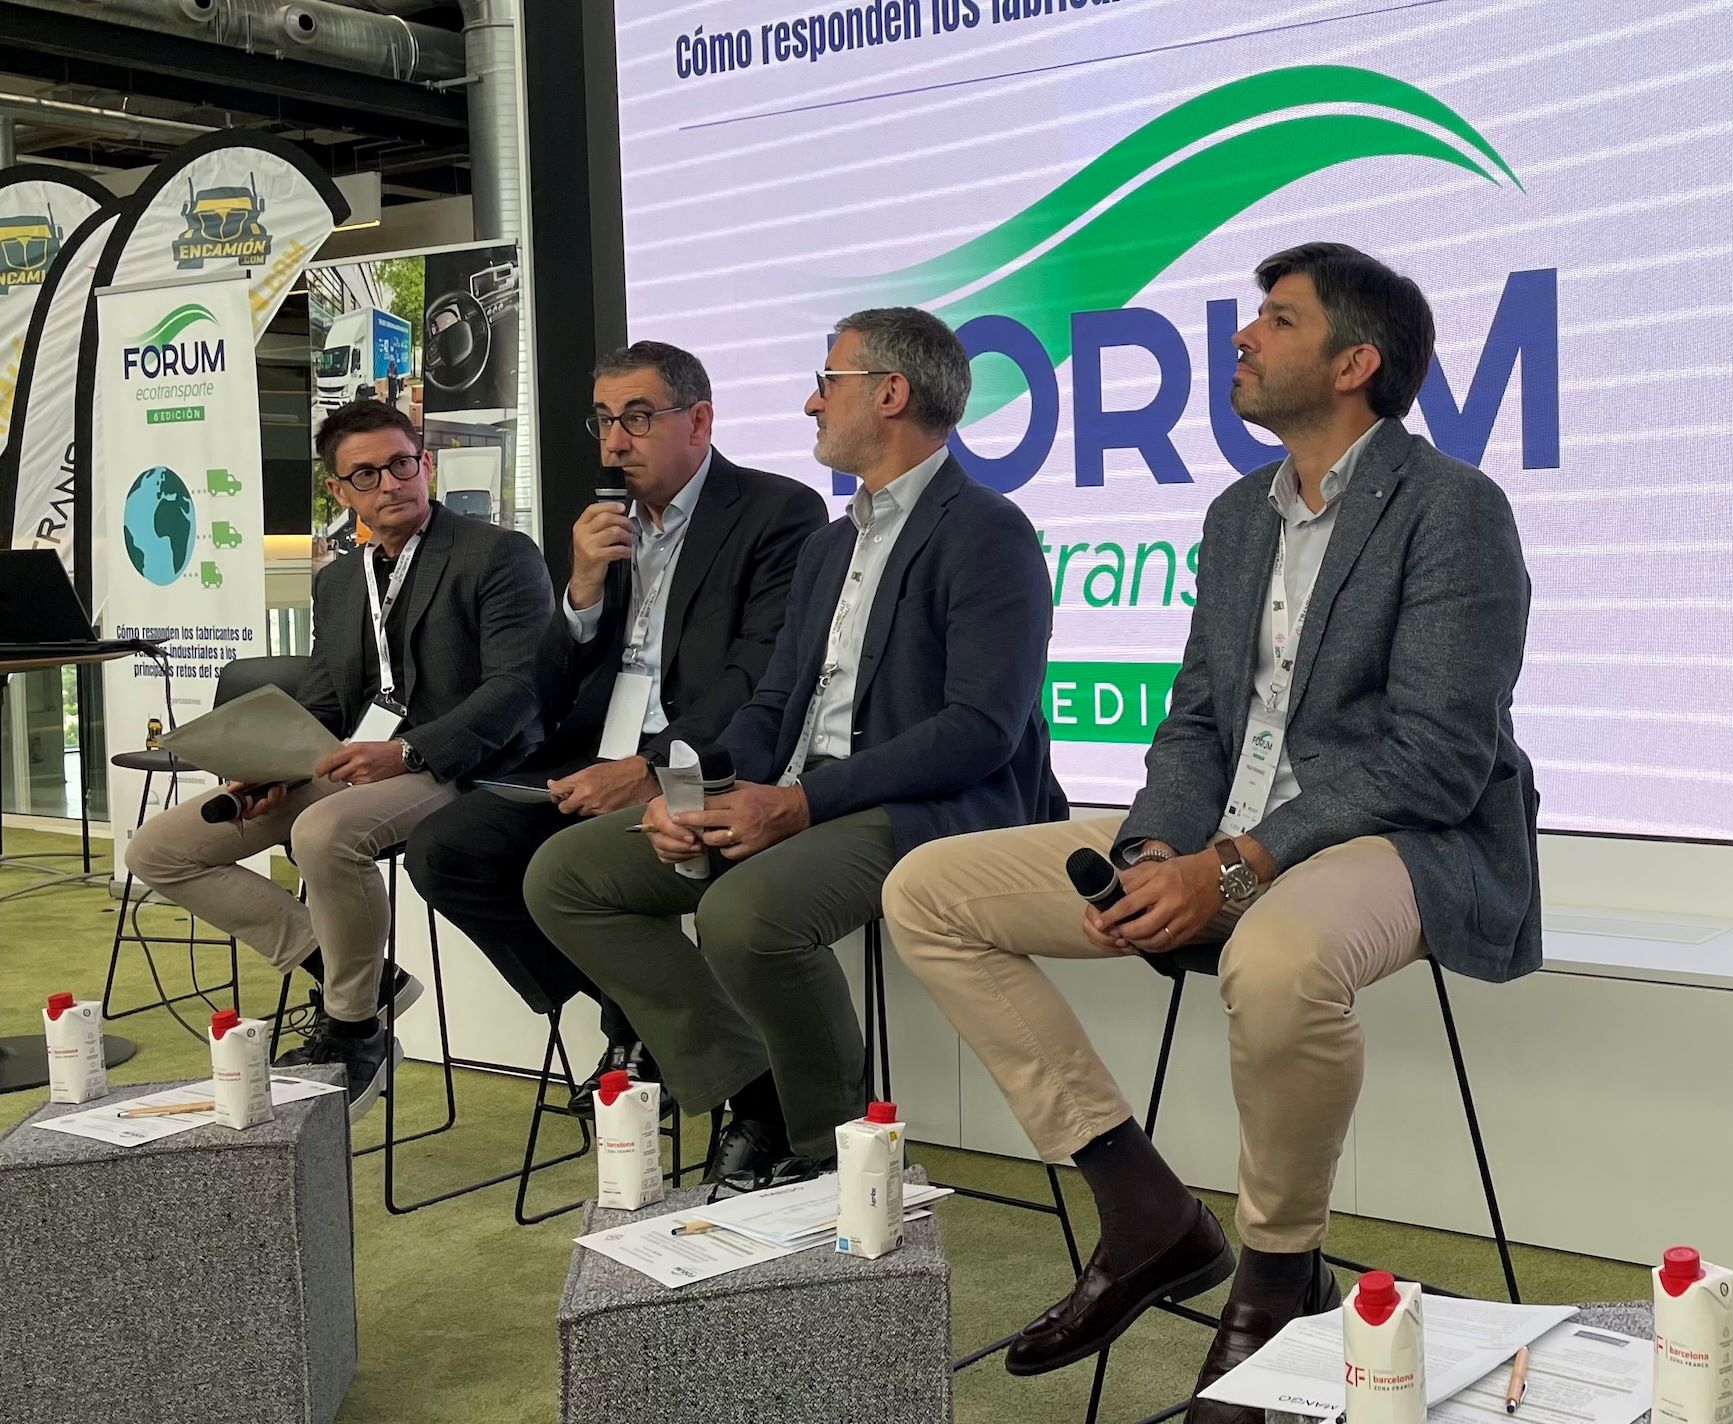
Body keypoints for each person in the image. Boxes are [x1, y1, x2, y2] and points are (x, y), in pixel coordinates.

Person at [882, 243, 1541, 1416]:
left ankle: (1278, 1273)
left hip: (1401, 837)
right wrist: (1153, 851)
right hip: (1227, 832)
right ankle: (1141, 1204)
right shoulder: (1238, 514)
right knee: (928, 889)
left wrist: (1230, 868)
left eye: (1276, 319)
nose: (1241, 336)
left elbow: (1438, 756)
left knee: (1274, 957)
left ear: (1354, 362)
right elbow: (1195, 722)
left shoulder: (1452, 508)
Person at [524, 307, 1064, 1187]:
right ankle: (754, 1090)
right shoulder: (830, 544)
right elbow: (774, 704)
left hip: (928, 809)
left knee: (746, 916)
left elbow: (979, 730)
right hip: (802, 794)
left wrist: (802, 802)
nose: (812, 404)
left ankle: (828, 1148)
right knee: (568, 875)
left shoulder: (985, 531)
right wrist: (685, 791)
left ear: (890, 394)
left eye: (827, 382)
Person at [406, 341, 825, 1111]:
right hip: (591, 752)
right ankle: (639, 1010)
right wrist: (581, 591)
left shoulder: (777, 512)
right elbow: (544, 691)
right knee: (445, 852)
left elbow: (757, 674)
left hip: (700, 761)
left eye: (637, 417)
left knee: (569, 866)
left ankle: (675, 1045)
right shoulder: (605, 524)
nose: (614, 442)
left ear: (698, 421)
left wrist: (652, 768)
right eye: (602, 420)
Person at [126, 399, 552, 1118]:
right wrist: (271, 766)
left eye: (402, 463)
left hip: (463, 764)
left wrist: (409, 750)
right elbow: (324, 700)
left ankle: (354, 1030)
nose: (391, 483)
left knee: (322, 833)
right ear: (339, 490)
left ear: (425, 463)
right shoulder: (339, 579)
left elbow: (517, 689)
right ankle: (359, 974)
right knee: (159, 849)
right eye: (367, 474)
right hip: (360, 763)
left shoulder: (498, 554)